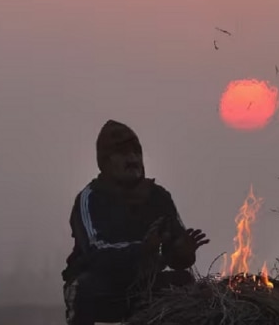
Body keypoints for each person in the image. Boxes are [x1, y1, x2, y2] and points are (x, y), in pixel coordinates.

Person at [62, 120, 210, 325]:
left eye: (136, 153)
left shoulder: (158, 197)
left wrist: (183, 251)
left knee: (185, 283)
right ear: (105, 162)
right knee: (84, 288)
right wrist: (143, 250)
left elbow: (175, 256)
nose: (132, 159)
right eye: (123, 154)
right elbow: (97, 252)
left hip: (144, 285)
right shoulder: (91, 198)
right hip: (104, 285)